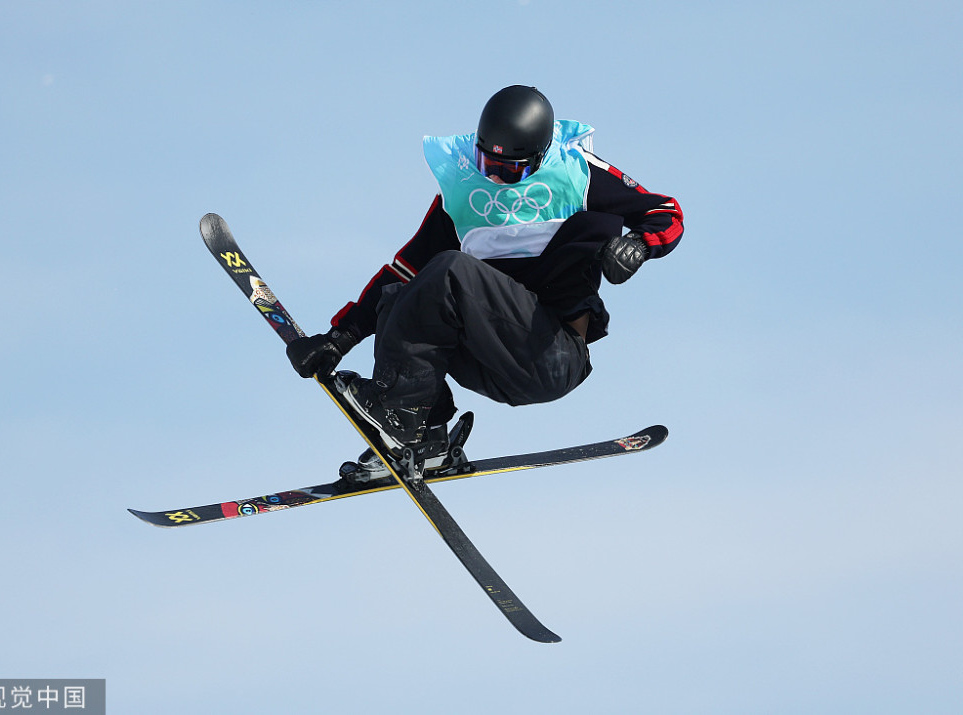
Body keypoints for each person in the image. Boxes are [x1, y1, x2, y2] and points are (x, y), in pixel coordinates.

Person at [286, 85, 683, 471]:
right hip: (492, 358)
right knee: (400, 297)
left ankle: (398, 412)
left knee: (450, 270)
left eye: (512, 171)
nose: (494, 179)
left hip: (551, 352)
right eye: (487, 165)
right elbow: (405, 268)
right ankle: (424, 436)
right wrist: (341, 338)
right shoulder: (463, 193)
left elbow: (666, 212)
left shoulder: (578, 174)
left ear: (540, 157)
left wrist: (639, 245)